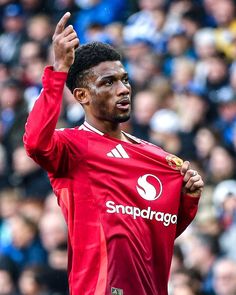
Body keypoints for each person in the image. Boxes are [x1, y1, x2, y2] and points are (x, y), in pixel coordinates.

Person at [23, 12, 204, 295]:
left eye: (125, 80)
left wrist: (187, 201)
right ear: (82, 95)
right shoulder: (71, 148)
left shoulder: (157, 158)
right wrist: (58, 70)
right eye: (108, 82)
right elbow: (34, 142)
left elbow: (155, 233)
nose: (123, 90)